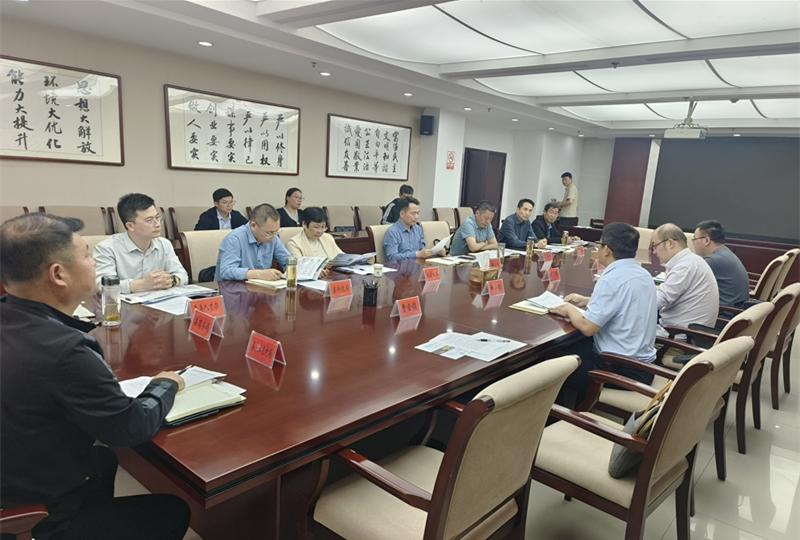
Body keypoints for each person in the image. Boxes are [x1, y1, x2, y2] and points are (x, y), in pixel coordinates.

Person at [0, 213, 190, 540]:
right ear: (58, 274)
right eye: (87, 256)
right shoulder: (64, 352)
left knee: (102, 460)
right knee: (173, 511)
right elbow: (130, 427)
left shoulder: (11, 314)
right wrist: (165, 384)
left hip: (17, 468)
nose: (93, 264)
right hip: (33, 511)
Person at [550, 223, 658, 400]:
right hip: (644, 366)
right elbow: (625, 301)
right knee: (571, 348)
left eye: (599, 245)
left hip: (619, 369)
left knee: (554, 366)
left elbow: (587, 327)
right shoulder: (642, 273)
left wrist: (569, 309)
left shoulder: (611, 278)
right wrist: (587, 300)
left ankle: (563, 413)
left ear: (606, 250)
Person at [94, 193, 188, 294]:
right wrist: (142, 284)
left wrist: (171, 281)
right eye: (149, 220)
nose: (157, 224)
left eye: (157, 218)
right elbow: (103, 286)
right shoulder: (106, 248)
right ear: (130, 226)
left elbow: (182, 275)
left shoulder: (164, 244)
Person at [651, 223, 719, 331]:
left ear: (670, 243)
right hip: (688, 330)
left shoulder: (684, 266)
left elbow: (657, 302)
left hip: (679, 335)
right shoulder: (691, 261)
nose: (654, 252)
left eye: (655, 246)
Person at [216, 203, 290, 282]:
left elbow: (288, 261)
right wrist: (259, 274)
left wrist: (292, 268)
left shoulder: (273, 238)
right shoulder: (235, 239)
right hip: (233, 287)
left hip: (261, 287)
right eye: (269, 233)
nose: (273, 236)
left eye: (276, 231)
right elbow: (226, 271)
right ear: (253, 225)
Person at [692, 220, 750, 308]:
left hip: (724, 313)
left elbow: (686, 286)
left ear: (706, 240)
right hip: (736, 309)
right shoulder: (724, 251)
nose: (693, 243)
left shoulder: (712, 261)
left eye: (694, 239)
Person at [286, 207, 343, 277]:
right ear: (304, 224)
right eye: (316, 227)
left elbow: (341, 257)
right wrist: (316, 272)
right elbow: (298, 268)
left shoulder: (327, 237)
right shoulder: (294, 243)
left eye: (323, 227)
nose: (320, 231)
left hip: (332, 275)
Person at [383, 197, 432, 262]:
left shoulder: (418, 229)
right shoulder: (392, 232)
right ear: (402, 214)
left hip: (417, 265)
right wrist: (416, 254)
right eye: (413, 213)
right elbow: (392, 258)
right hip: (399, 267)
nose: (417, 217)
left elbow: (422, 250)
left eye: (418, 213)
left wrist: (434, 252)